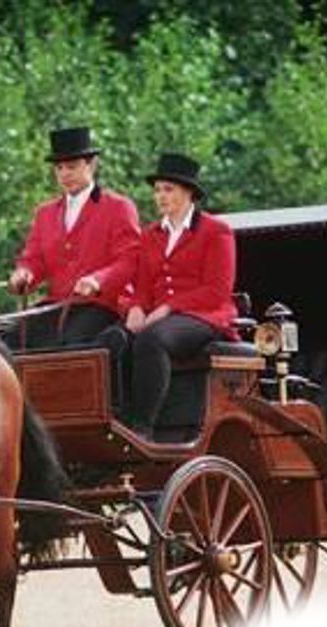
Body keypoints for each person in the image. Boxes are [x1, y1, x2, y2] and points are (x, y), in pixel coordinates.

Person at [98, 152, 237, 439]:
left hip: (204, 316)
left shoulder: (216, 231)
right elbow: (144, 286)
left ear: (189, 194)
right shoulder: (150, 235)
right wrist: (136, 307)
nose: (160, 196)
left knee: (152, 339)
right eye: (158, 190)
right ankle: (114, 419)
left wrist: (170, 308)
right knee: (112, 340)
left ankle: (143, 428)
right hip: (160, 316)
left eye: (168, 189)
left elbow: (217, 290)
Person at [0, 126, 141, 350]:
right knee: (6, 342)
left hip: (102, 304)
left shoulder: (119, 207)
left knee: (71, 345)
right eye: (59, 168)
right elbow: (34, 258)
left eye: (72, 167)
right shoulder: (45, 213)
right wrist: (24, 274)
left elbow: (129, 260)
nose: (65, 174)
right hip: (56, 305)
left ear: (91, 165)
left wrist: (97, 280)